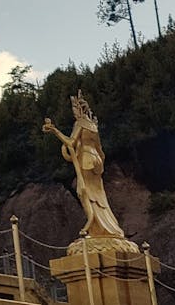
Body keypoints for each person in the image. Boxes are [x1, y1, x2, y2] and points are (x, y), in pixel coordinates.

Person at [42, 91, 126, 240]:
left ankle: (91, 222)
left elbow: (70, 142)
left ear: (79, 110)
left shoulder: (80, 123)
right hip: (97, 161)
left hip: (86, 159)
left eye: (75, 110)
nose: (74, 114)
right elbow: (101, 151)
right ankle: (105, 226)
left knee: (83, 191)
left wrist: (54, 130)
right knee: (98, 194)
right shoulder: (93, 126)